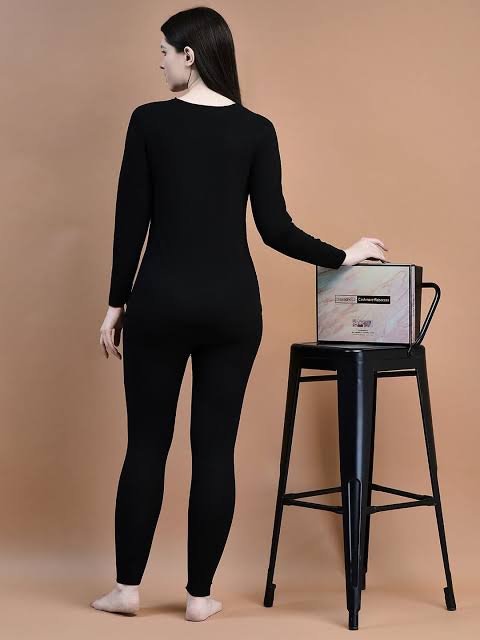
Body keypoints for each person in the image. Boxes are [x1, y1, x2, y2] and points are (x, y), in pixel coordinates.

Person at [91, 6, 388, 623]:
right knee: (214, 450)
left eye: (165, 51)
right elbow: (275, 228)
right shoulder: (256, 129)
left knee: (146, 446)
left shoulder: (149, 121)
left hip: (159, 304)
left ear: (190, 55)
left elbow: (130, 221)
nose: (160, 62)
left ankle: (126, 591)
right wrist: (343, 255)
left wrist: (117, 303)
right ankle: (200, 598)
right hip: (233, 310)